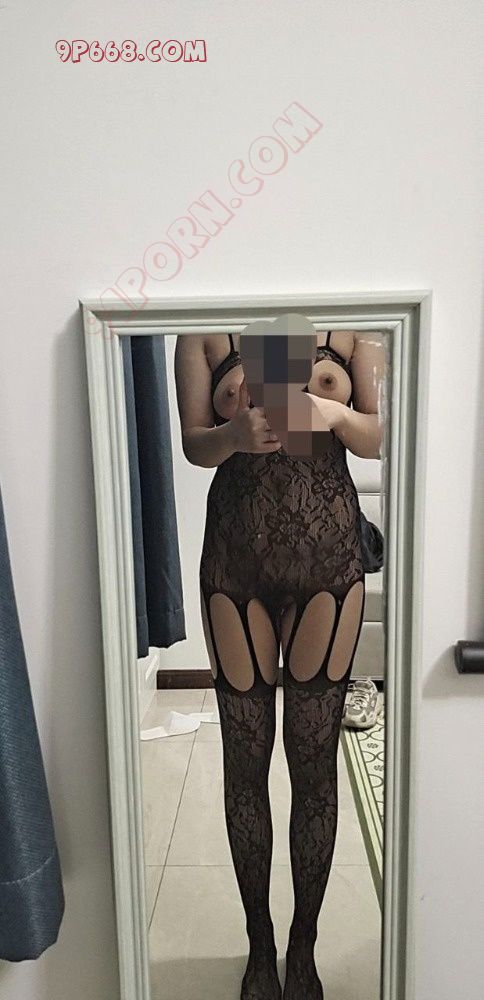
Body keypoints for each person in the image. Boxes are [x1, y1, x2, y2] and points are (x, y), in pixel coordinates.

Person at [174, 315, 384, 1000]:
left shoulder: (356, 323)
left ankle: (303, 947)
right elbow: (193, 445)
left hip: (329, 563)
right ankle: (260, 944)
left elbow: (379, 436)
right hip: (235, 565)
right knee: (246, 763)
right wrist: (234, 435)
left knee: (314, 764)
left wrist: (331, 413)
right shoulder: (202, 327)